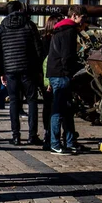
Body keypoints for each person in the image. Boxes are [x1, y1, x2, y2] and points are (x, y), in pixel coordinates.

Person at [0, 1, 44, 146]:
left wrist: (0, 71)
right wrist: (38, 68)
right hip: (28, 69)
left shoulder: (2, 27)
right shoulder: (29, 24)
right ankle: (32, 135)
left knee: (14, 102)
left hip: (10, 70)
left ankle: (16, 136)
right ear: (20, 9)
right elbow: (38, 48)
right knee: (32, 101)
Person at [46, 5, 88, 155]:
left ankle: (70, 142)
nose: (84, 20)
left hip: (56, 72)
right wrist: (71, 73)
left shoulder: (61, 29)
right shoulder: (69, 31)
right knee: (58, 110)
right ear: (75, 16)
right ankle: (55, 144)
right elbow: (67, 56)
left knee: (67, 109)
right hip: (61, 74)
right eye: (83, 17)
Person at [41, 14, 63, 150]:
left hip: (44, 78)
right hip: (51, 76)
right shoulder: (54, 39)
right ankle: (53, 137)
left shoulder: (44, 39)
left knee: (48, 106)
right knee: (55, 107)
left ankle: (47, 133)